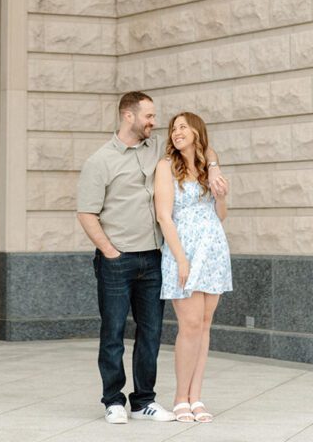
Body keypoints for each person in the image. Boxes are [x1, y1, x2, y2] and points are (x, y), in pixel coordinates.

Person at [77, 91, 227, 425]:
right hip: (117, 259)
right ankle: (113, 399)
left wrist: (214, 167)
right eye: (149, 116)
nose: (154, 122)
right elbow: (86, 213)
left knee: (150, 332)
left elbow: (200, 146)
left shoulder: (156, 147)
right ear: (128, 116)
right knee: (114, 332)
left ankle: (144, 399)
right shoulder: (100, 161)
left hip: (153, 258)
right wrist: (109, 251)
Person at [154, 111, 232, 424]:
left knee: (204, 324)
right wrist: (181, 259)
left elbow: (220, 214)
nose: (176, 132)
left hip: (213, 250)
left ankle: (196, 396)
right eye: (173, 129)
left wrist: (222, 195)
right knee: (188, 326)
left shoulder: (206, 167)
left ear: (197, 132)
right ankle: (179, 398)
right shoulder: (165, 167)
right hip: (182, 250)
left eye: (183, 127)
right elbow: (163, 216)